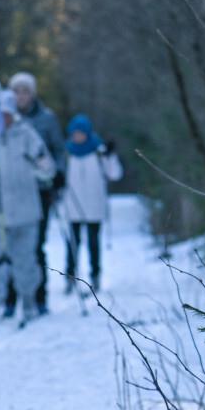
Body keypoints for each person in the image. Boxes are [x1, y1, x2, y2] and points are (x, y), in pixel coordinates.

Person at [0, 90, 55, 326]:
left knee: (26, 261)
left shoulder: (26, 134)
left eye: (7, 114)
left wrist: (40, 168)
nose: (3, 119)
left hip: (25, 212)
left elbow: (46, 167)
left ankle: (28, 302)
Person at [6, 72, 67, 316]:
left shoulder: (46, 119)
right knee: (9, 245)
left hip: (40, 190)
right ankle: (10, 298)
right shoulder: (5, 118)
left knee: (35, 245)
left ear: (32, 94)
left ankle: (38, 296)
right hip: (12, 190)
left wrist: (59, 173)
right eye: (16, 91)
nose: (21, 96)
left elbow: (58, 150)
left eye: (25, 91)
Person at [60, 113, 124, 291]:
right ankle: (70, 277)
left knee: (93, 244)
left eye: (81, 133)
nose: (78, 136)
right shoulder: (68, 152)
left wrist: (111, 155)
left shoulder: (99, 151)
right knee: (73, 244)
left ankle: (95, 276)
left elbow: (115, 174)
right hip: (73, 206)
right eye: (75, 133)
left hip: (94, 205)